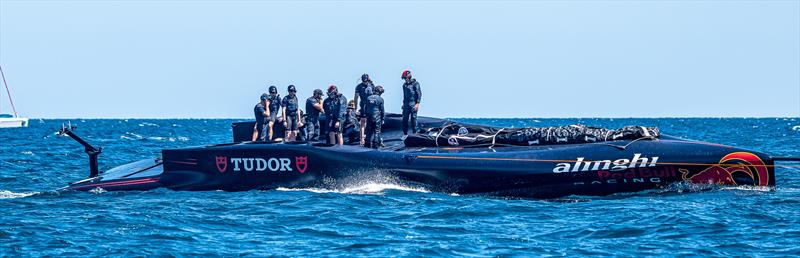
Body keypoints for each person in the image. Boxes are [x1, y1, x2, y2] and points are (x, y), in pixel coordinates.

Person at [353, 73, 374, 145]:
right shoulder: (358, 87)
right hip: (363, 106)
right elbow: (356, 98)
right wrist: (355, 108)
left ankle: (370, 138)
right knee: (363, 122)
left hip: (371, 106)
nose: (365, 82)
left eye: (366, 81)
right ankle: (361, 139)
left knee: (372, 122)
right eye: (364, 81)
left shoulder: (371, 85)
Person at [401, 70, 421, 137]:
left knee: (413, 119)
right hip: (406, 104)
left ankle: (415, 134)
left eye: (405, 78)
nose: (404, 79)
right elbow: (404, 95)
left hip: (413, 104)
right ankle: (405, 134)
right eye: (404, 78)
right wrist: (403, 104)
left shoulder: (415, 83)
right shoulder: (404, 85)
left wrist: (417, 104)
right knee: (405, 119)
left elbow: (419, 93)